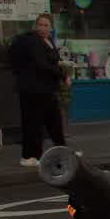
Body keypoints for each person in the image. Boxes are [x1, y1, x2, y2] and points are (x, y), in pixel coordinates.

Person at [10, 13, 68, 168]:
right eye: (40, 24)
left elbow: (51, 62)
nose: (42, 28)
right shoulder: (34, 41)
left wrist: (61, 72)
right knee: (33, 123)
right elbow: (42, 64)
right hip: (33, 89)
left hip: (45, 89)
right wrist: (62, 75)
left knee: (53, 121)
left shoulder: (48, 41)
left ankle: (63, 151)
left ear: (51, 28)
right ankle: (30, 156)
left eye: (45, 25)